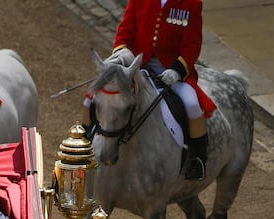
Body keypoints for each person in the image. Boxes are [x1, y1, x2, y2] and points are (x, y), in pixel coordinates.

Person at [83, 0, 216, 180]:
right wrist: (121, 54)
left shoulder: (191, 3)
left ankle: (197, 160)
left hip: (169, 71)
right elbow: (125, 32)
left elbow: (191, 46)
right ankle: (84, 144)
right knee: (91, 98)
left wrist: (177, 70)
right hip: (136, 67)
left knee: (192, 105)